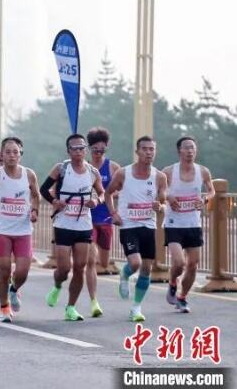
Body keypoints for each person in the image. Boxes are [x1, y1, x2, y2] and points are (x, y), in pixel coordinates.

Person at [41, 134, 105, 321]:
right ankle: (57, 285)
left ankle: (71, 307)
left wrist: (96, 200)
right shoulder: (61, 168)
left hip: (83, 224)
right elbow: (43, 189)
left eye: (81, 148)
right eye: (74, 148)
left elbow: (102, 193)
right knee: (63, 268)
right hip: (63, 224)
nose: (78, 151)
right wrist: (55, 201)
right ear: (68, 150)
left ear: (86, 149)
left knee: (79, 267)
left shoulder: (92, 172)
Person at [105, 135, 167, 322]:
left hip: (148, 225)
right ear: (137, 151)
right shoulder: (124, 173)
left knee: (146, 269)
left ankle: (136, 307)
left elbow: (162, 202)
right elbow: (108, 194)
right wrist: (114, 214)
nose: (149, 153)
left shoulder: (160, 176)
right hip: (128, 225)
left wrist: (160, 207)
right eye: (145, 149)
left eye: (152, 149)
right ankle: (124, 275)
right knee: (135, 263)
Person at [0, 137, 39, 322]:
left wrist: (34, 211)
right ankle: (4, 307)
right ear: (3, 155)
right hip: (3, 229)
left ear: (20, 154)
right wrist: (1, 206)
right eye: (8, 152)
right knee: (4, 270)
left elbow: (36, 196)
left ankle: (14, 290)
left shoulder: (29, 174)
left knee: (22, 271)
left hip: (23, 230)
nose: (12, 155)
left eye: (16, 152)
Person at [163, 136, 215, 313]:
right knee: (179, 263)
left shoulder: (203, 171)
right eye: (186, 148)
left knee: (193, 264)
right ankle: (172, 282)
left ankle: (182, 297)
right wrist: (168, 196)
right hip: (173, 223)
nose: (190, 151)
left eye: (192, 148)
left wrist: (206, 199)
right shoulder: (169, 172)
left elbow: (211, 190)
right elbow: (159, 190)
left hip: (193, 223)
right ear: (179, 151)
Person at [85, 127, 121, 317]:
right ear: (89, 149)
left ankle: (99, 255)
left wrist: (111, 197)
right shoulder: (83, 167)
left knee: (104, 263)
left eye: (102, 150)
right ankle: (94, 302)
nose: (98, 154)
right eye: (95, 150)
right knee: (90, 260)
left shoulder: (113, 167)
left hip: (106, 217)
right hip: (87, 218)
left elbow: (122, 188)